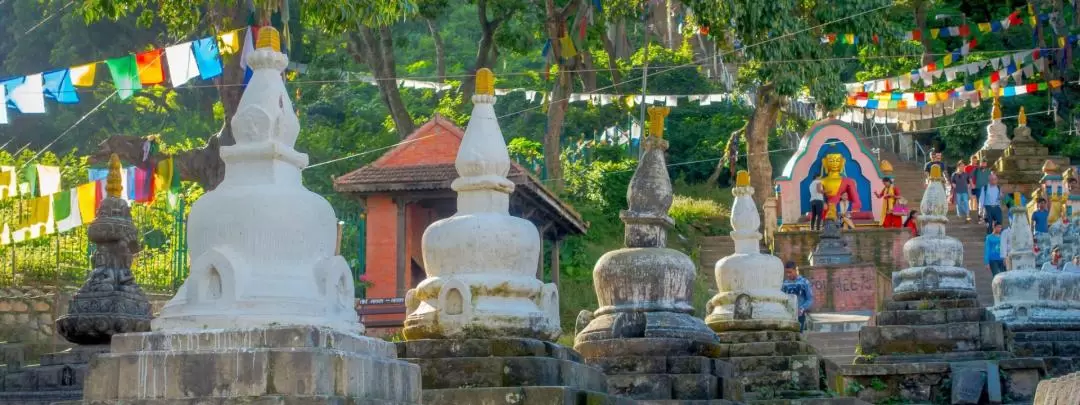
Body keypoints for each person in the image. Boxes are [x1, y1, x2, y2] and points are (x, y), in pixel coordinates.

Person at [781, 261, 814, 332]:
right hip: (788, 315)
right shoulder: (784, 284)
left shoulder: (804, 282)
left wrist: (802, 308)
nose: (788, 275)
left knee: (799, 336)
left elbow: (810, 299)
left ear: (795, 270)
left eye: (790, 272)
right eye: (786, 272)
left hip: (800, 315)